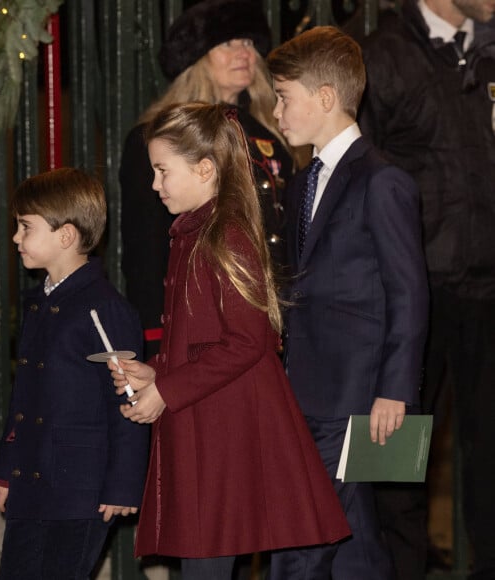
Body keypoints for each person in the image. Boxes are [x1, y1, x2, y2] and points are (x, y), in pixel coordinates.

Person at [109, 102, 350, 580]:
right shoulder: (193, 233)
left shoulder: (226, 234)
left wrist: (165, 393)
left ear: (204, 169)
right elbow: (200, 339)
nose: (154, 185)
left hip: (222, 434)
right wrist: (156, 370)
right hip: (204, 423)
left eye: (162, 171)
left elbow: (248, 341)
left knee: (207, 564)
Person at [266, 26, 429, 579]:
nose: (276, 110)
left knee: (303, 531)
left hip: (355, 393)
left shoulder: (383, 182)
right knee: (353, 541)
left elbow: (408, 292)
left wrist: (394, 389)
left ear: (326, 98)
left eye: (284, 97)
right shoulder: (300, 182)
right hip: (307, 387)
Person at [359, 1, 495, 578]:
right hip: (413, 289)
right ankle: (389, 567)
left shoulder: (488, 46)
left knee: (490, 450)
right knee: (392, 449)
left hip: (487, 285)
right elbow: (359, 172)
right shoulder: (381, 53)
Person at [0, 168, 149, 579]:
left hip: (81, 491)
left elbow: (129, 401)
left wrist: (123, 485)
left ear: (66, 236)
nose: (16, 238)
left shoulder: (102, 309)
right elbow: (22, 400)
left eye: (26, 227)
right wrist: (7, 469)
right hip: (31, 484)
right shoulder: (38, 304)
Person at [119, 0, 295, 360]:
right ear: (196, 58)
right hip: (200, 318)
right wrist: (155, 337)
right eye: (228, 43)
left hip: (267, 316)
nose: (243, 52)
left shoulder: (272, 134)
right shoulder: (154, 140)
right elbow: (145, 251)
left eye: (248, 42)